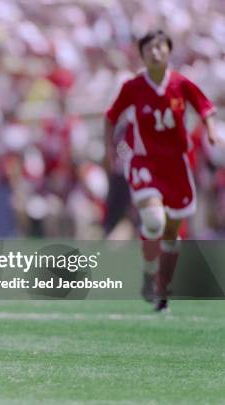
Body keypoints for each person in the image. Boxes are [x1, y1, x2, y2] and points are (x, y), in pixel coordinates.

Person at [104, 30, 220, 312]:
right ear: (141, 55)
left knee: (171, 232)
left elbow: (205, 108)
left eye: (160, 47)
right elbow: (111, 117)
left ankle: (162, 288)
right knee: (153, 219)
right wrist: (109, 152)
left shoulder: (181, 84)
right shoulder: (133, 86)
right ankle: (147, 274)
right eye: (149, 49)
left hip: (177, 166)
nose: (155, 53)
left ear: (169, 50)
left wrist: (211, 131)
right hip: (144, 161)